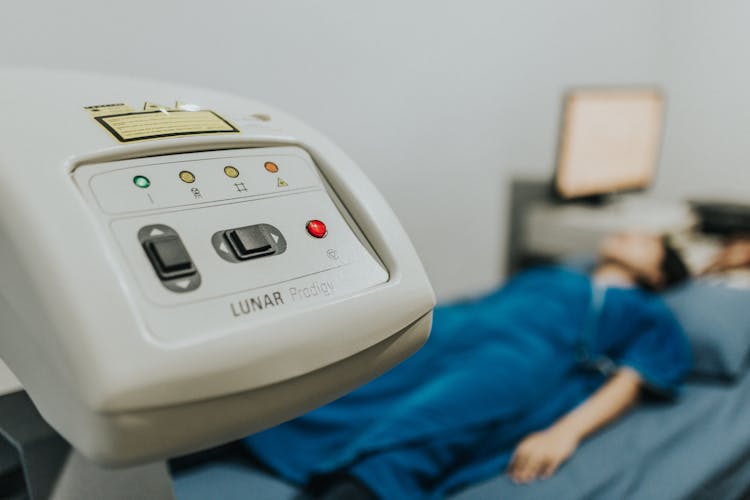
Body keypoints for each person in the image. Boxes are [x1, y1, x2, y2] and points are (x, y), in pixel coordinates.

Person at [244, 232, 692, 500]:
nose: (629, 234)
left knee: (435, 417)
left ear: (658, 276)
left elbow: (634, 379)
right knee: (342, 383)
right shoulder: (553, 275)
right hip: (454, 332)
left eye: (645, 241)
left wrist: (563, 432)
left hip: (521, 356)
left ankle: (359, 485)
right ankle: (231, 428)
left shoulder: (646, 311)